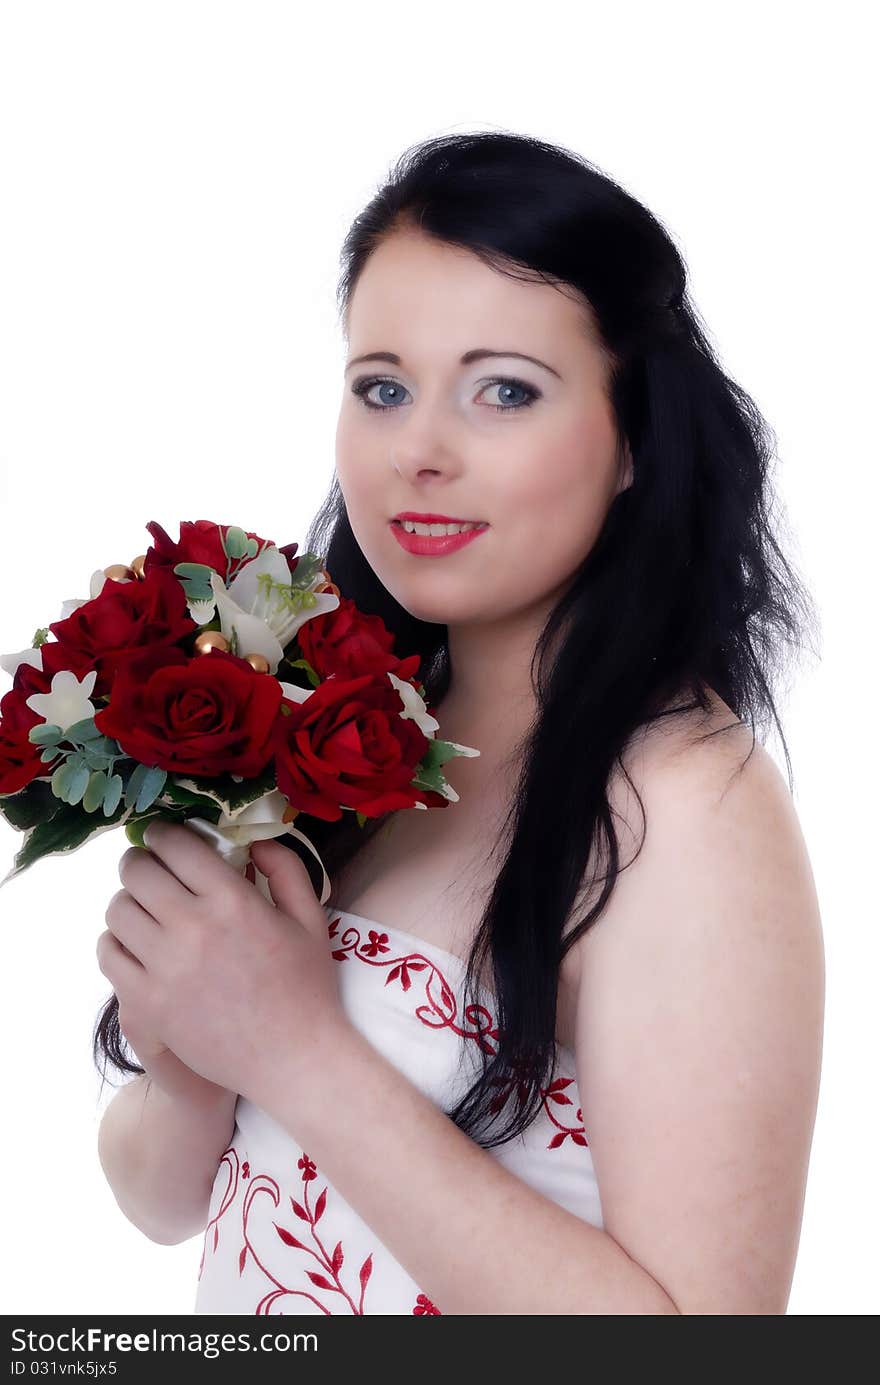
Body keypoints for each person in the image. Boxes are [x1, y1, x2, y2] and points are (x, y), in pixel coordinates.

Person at [94, 130, 824, 1315]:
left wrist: (293, 1046)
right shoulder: (345, 734)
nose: (419, 452)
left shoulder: (683, 802)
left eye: (505, 391)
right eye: (382, 385)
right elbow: (164, 1198)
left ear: (633, 434)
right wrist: (187, 1043)